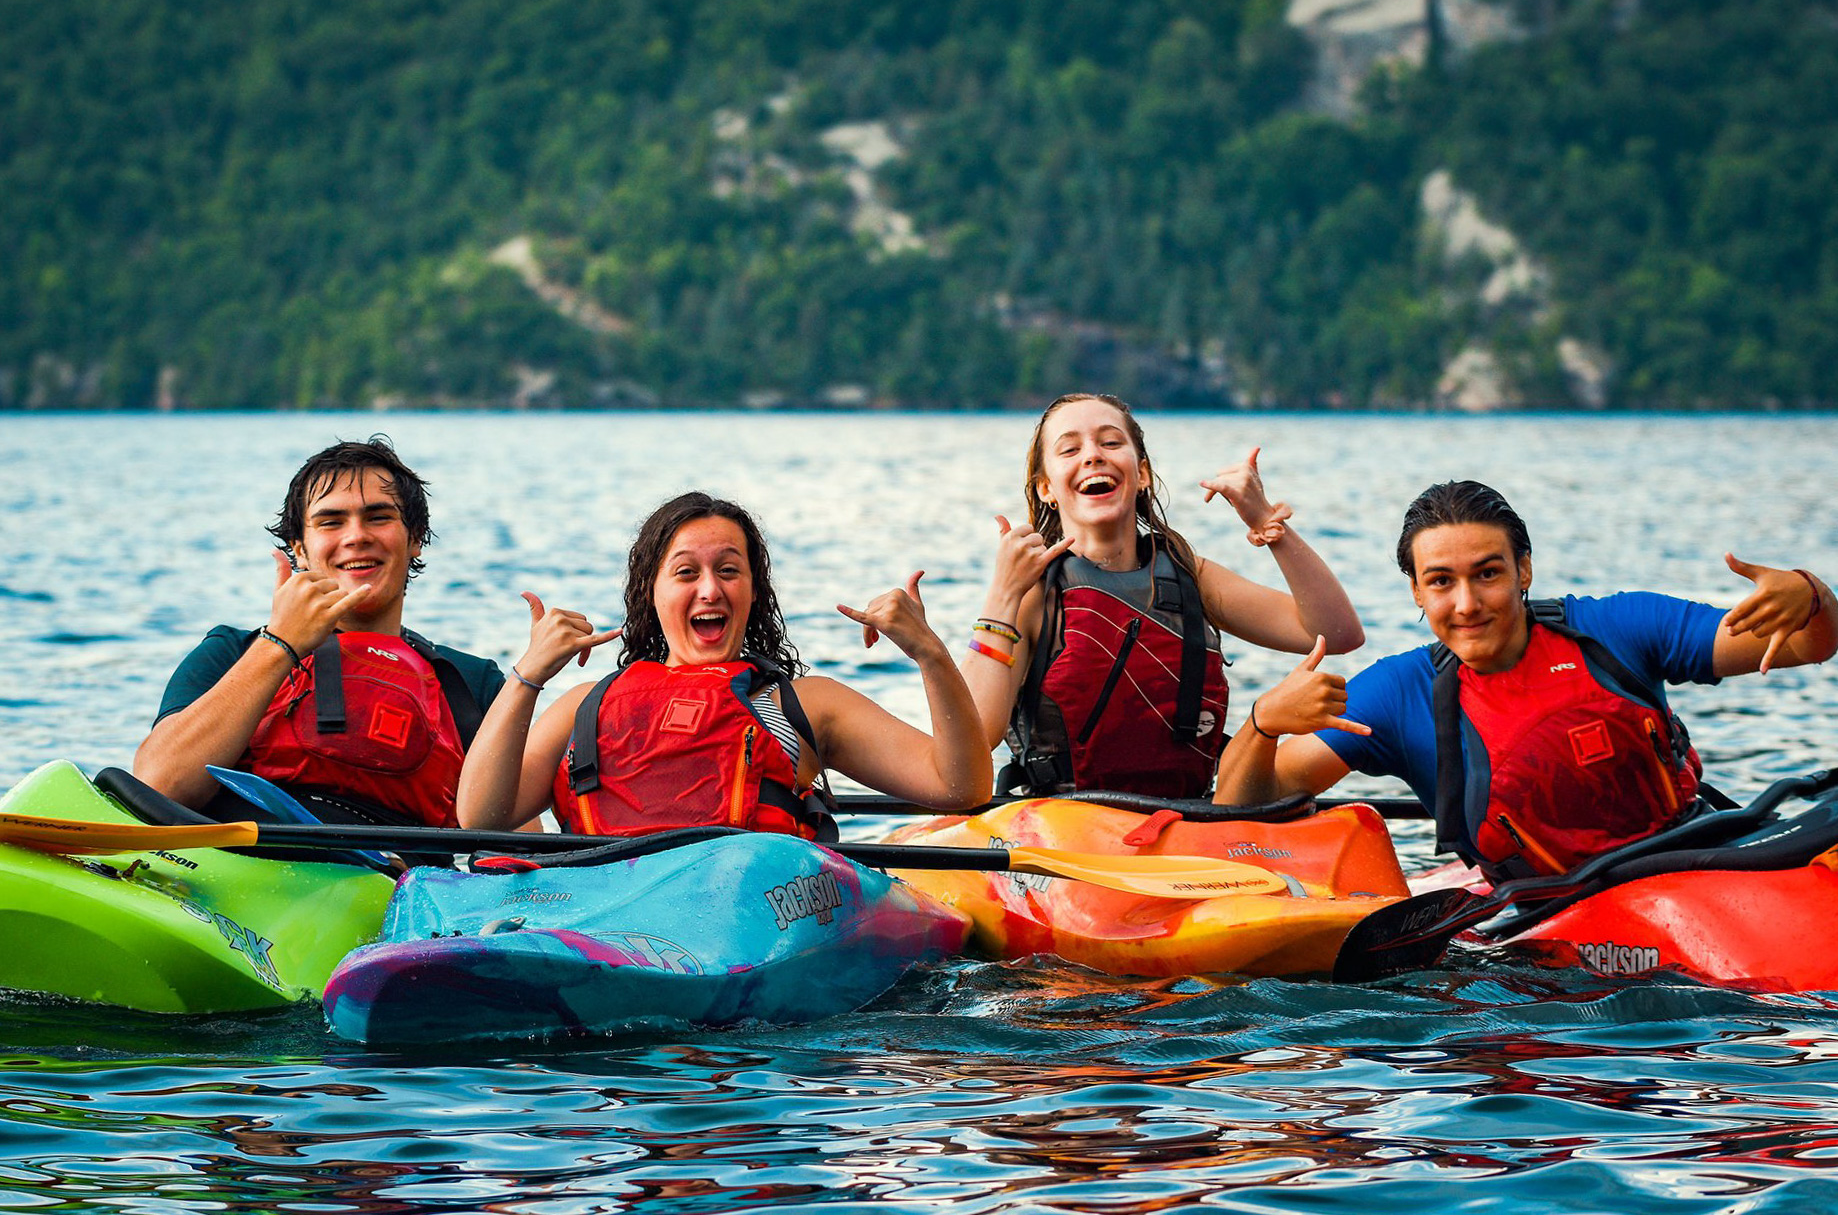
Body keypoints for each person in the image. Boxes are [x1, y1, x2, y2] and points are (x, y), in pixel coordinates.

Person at [1212, 479, 1838, 881]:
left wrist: (1810, 593)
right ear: (1415, 592)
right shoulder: (1396, 695)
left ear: (1524, 570)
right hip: (1550, 919)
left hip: (1699, 859)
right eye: (1441, 582)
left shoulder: (1617, 629)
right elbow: (1240, 809)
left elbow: (1813, 644)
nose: (1466, 604)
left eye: (1487, 574)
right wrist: (1264, 724)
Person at [456, 492, 992, 836]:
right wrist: (527, 676)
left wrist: (930, 654)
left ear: (754, 592)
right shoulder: (583, 707)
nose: (710, 589)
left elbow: (960, 788)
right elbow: (480, 818)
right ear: (652, 594)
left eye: (729, 571)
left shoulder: (802, 704)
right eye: (686, 573)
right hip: (608, 924)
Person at [962, 392, 1364, 799]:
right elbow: (973, 738)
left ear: (1143, 474)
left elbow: (1338, 633)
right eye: (1070, 448)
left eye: (1111, 442)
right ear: (1046, 488)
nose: (1092, 456)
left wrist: (1268, 525)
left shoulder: (1191, 576)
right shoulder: (1033, 594)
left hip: (1184, 819)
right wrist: (1002, 593)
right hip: (1061, 821)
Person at [134, 437, 503, 829]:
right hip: (239, 863)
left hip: (395, 879)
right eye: (331, 522)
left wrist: (530, 678)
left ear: (415, 539)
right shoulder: (231, 652)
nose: (356, 536)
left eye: (378, 517)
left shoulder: (471, 684)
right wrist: (280, 646)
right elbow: (158, 786)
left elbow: (515, 845)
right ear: (300, 550)